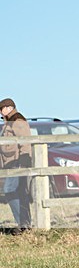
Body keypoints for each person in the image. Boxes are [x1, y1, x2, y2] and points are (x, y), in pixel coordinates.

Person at [0, 98, 32, 233]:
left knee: (10, 191)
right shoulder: (9, 123)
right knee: (19, 193)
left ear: (8, 107)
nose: (0, 113)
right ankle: (24, 224)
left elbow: (25, 144)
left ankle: (23, 223)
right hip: (11, 164)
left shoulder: (17, 121)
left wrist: (23, 164)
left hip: (17, 163)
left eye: (1, 109)